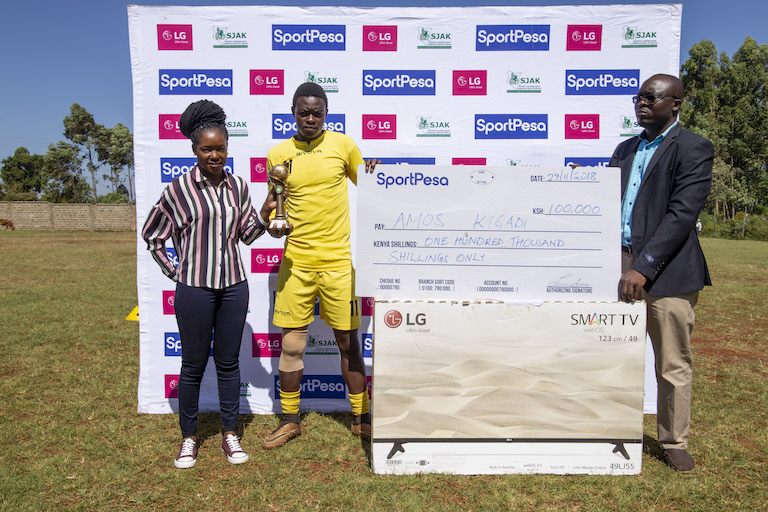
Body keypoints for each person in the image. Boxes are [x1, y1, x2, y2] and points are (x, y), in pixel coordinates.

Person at [142, 100, 287, 468]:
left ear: (227, 148)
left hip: (234, 286)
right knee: (192, 365)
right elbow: (153, 235)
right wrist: (176, 272)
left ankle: (229, 433)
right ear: (194, 150)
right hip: (194, 289)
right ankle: (188, 438)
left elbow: (247, 234)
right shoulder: (178, 190)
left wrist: (268, 208)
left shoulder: (237, 186)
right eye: (206, 149)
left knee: (227, 364)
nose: (214, 155)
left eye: (220, 148)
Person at [262, 82, 379, 449]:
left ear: (326, 112)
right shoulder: (278, 154)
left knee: (349, 345)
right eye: (303, 112)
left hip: (338, 263)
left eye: (317, 112)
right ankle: (290, 421)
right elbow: (272, 206)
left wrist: (375, 171)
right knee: (293, 345)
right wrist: (268, 217)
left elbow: (374, 187)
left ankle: (362, 421)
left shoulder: (343, 145)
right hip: (296, 262)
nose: (310, 118)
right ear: (293, 113)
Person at [611, 74, 713, 473]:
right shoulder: (623, 149)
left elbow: (682, 214)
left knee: (671, 362)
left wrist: (643, 267)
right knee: (610, 352)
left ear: (676, 104)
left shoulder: (693, 148)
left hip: (665, 273)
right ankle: (609, 427)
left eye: (652, 97)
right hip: (616, 266)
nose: (642, 103)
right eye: (639, 97)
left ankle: (673, 440)